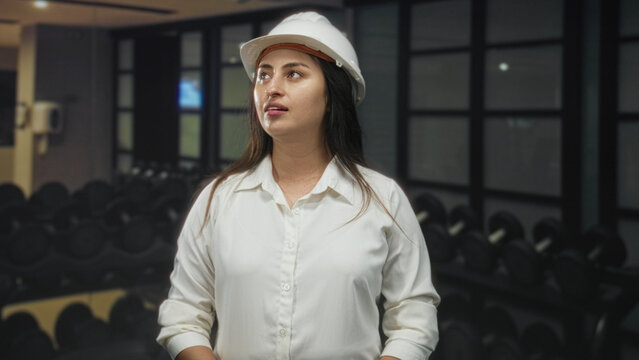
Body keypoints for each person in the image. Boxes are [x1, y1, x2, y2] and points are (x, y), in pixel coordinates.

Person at [157, 11, 440, 360]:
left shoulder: (382, 199)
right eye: (264, 75)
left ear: (332, 96)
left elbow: (414, 316)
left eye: (294, 73)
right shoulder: (219, 198)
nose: (271, 88)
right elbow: (183, 314)